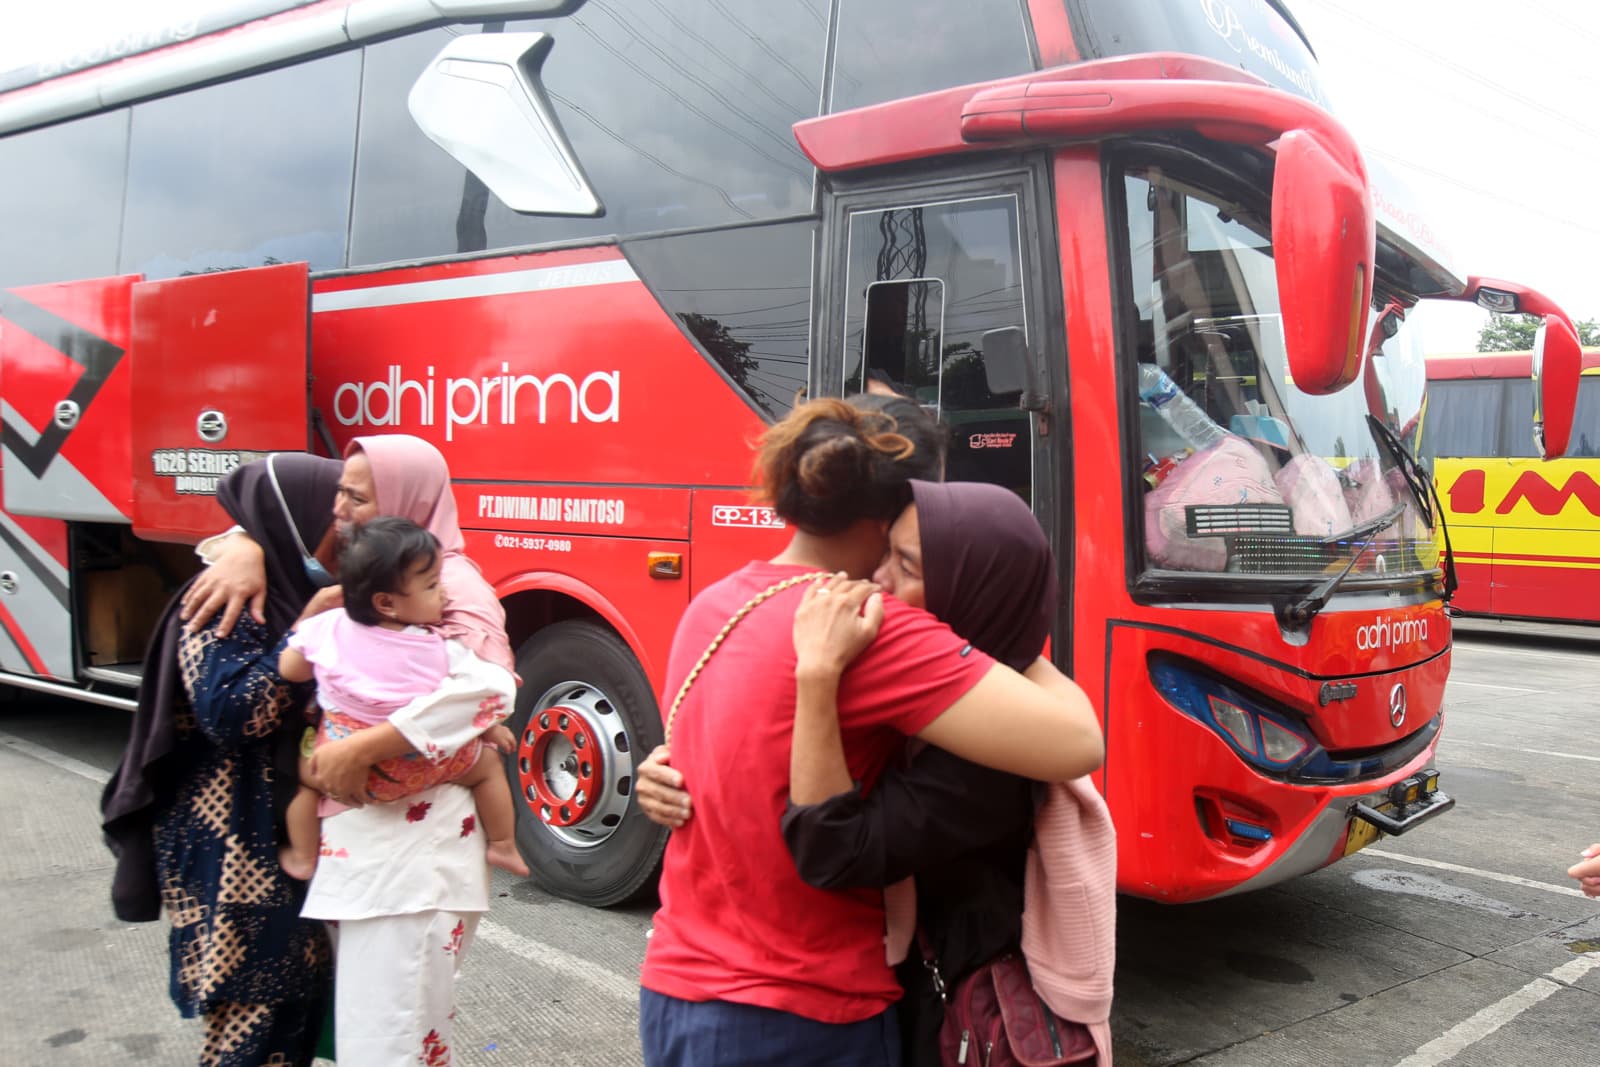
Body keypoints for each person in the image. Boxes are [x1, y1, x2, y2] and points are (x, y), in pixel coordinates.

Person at [636, 398, 1103, 1066]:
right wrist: (1018, 630)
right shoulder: (875, 629)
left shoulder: (712, 602)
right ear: (889, 515)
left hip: (676, 987)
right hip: (802, 1016)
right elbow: (1079, 740)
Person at [178, 434, 519, 1067]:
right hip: (371, 862)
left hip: (413, 864)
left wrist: (362, 746)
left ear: (401, 500)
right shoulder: (373, 579)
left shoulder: (447, 582)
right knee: (381, 1036)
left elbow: (491, 689)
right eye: (338, 490)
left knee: (387, 1043)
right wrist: (241, 541)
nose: (339, 507)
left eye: (357, 495)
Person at [101, 452, 344, 1067]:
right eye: (332, 515)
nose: (342, 529)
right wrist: (302, 637)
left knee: (293, 1017)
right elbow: (231, 713)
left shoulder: (283, 583)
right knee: (249, 1028)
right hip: (229, 852)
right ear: (294, 521)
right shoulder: (224, 598)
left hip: (273, 844)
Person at [278, 516, 527, 881]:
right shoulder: (437, 648)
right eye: (431, 586)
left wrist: (307, 627)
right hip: (414, 768)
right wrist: (488, 731)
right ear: (387, 603)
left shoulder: (327, 627)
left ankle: (302, 856)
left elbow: (290, 669)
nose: (444, 594)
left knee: (302, 778)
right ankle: (503, 843)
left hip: (339, 767)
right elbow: (459, 706)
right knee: (487, 768)